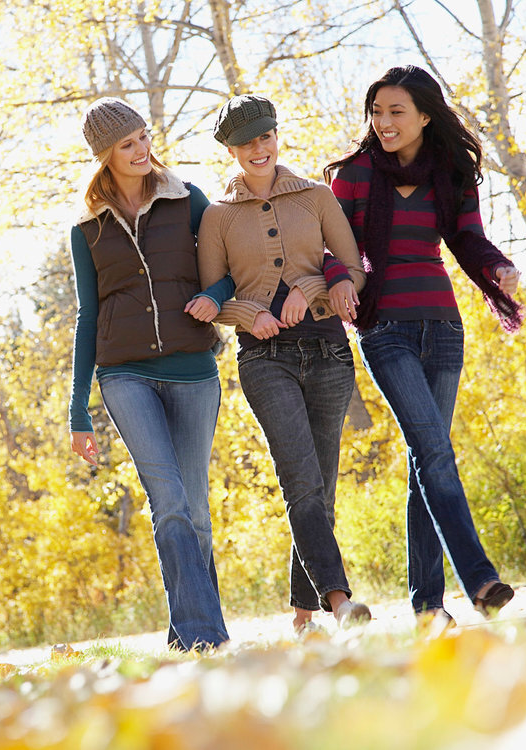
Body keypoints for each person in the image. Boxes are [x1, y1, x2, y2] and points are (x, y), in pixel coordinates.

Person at [323, 65, 526, 625]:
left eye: (397, 112)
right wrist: (338, 276)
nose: (383, 122)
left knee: (425, 461)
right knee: (434, 450)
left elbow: (467, 238)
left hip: (442, 325)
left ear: (425, 117)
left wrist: (498, 267)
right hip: (383, 328)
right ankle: (481, 579)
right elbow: (328, 246)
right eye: (377, 111)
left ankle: (427, 608)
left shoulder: (452, 173)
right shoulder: (354, 175)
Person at [193, 94, 373, 633]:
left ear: (276, 136)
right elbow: (211, 299)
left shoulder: (317, 198)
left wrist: (312, 285)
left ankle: (301, 614)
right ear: (230, 149)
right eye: (246, 142)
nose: (258, 149)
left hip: (329, 353)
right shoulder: (217, 217)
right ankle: (341, 603)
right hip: (266, 360)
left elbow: (355, 271)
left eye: (265, 137)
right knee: (300, 479)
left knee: (321, 483)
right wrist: (247, 312)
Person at [68, 97, 233, 651]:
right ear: (104, 156)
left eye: (143, 137)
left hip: (192, 369)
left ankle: (187, 627)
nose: (142, 150)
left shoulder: (187, 200)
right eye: (127, 144)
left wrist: (213, 296)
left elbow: (228, 270)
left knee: (195, 511)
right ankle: (203, 636)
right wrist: (78, 409)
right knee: (168, 501)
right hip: (124, 376)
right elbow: (87, 315)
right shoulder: (87, 228)